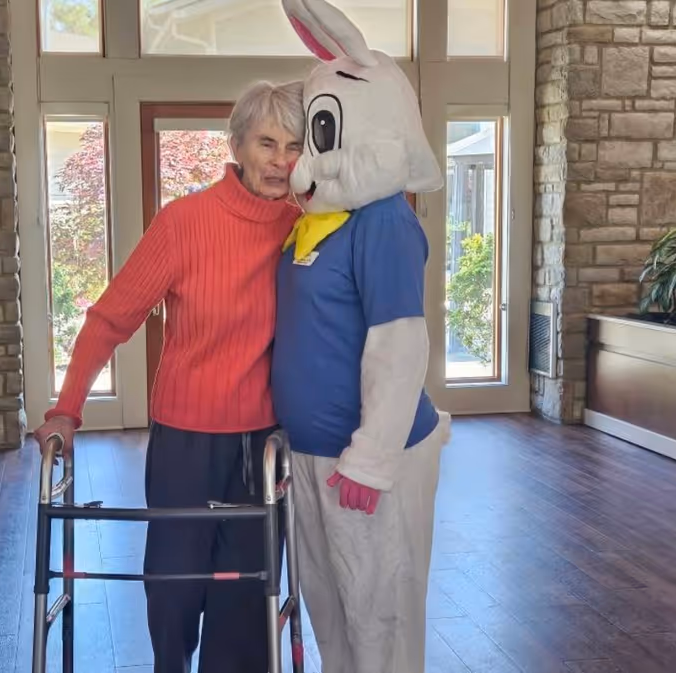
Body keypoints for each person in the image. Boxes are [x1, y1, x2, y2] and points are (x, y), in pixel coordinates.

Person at [32, 80, 305, 673]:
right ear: (237, 145)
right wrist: (66, 410)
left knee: (245, 604)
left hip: (262, 442)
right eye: (267, 143)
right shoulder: (184, 222)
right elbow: (110, 319)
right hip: (186, 439)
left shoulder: (302, 227)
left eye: (293, 146)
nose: (281, 161)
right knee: (175, 592)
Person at [271, 1, 450, 672]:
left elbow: (400, 344)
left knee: (380, 619)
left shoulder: (383, 222)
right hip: (311, 455)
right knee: (333, 611)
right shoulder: (315, 224)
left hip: (363, 461)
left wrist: (370, 458)